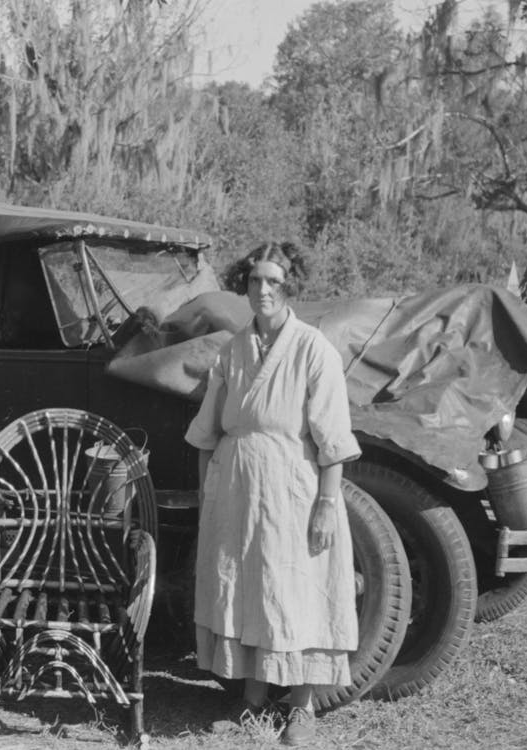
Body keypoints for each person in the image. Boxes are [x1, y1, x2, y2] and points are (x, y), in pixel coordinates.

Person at [184, 241, 360, 746]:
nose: (263, 290)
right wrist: (207, 499)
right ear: (245, 283)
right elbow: (206, 433)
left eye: (274, 282)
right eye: (256, 280)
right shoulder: (232, 350)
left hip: (293, 491)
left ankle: (301, 708)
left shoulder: (313, 350)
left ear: (289, 288)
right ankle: (253, 703)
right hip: (237, 491)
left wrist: (327, 503)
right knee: (247, 591)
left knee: (296, 591)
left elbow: (333, 442)